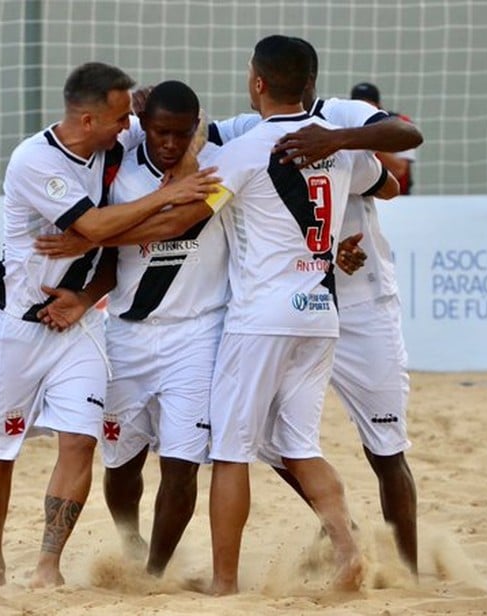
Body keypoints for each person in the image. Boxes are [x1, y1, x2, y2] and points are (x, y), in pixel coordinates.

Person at [0, 62, 218, 590]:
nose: (130, 125)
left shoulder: (115, 138)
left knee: (81, 442)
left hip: (78, 323)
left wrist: (85, 297)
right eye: (122, 116)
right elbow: (95, 227)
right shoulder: (34, 161)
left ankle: (47, 566)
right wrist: (167, 194)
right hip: (16, 322)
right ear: (88, 121)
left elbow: (182, 124)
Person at [210, 37, 423, 575]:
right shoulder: (250, 128)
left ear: (261, 79)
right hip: (315, 299)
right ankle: (345, 534)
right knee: (280, 441)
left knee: (386, 448)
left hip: (361, 305)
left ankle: (406, 572)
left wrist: (338, 141)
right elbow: (199, 134)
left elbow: (405, 144)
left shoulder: (344, 117)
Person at [36, 80, 228, 577]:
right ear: (145, 128)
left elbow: (174, 224)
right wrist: (83, 296)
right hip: (125, 333)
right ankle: (131, 541)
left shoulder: (217, 162)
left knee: (182, 464)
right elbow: (107, 254)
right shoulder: (118, 166)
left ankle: (155, 574)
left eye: (181, 134)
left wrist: (97, 238)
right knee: (121, 461)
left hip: (197, 334)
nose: (170, 144)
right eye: (160, 132)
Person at [349, 82, 417, 194]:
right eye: (358, 106)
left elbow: (399, 170)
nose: (363, 111)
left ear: (378, 105)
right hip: (359, 195)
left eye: (367, 106)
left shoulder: (399, 125)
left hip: (396, 197)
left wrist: (366, 140)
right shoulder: (344, 125)